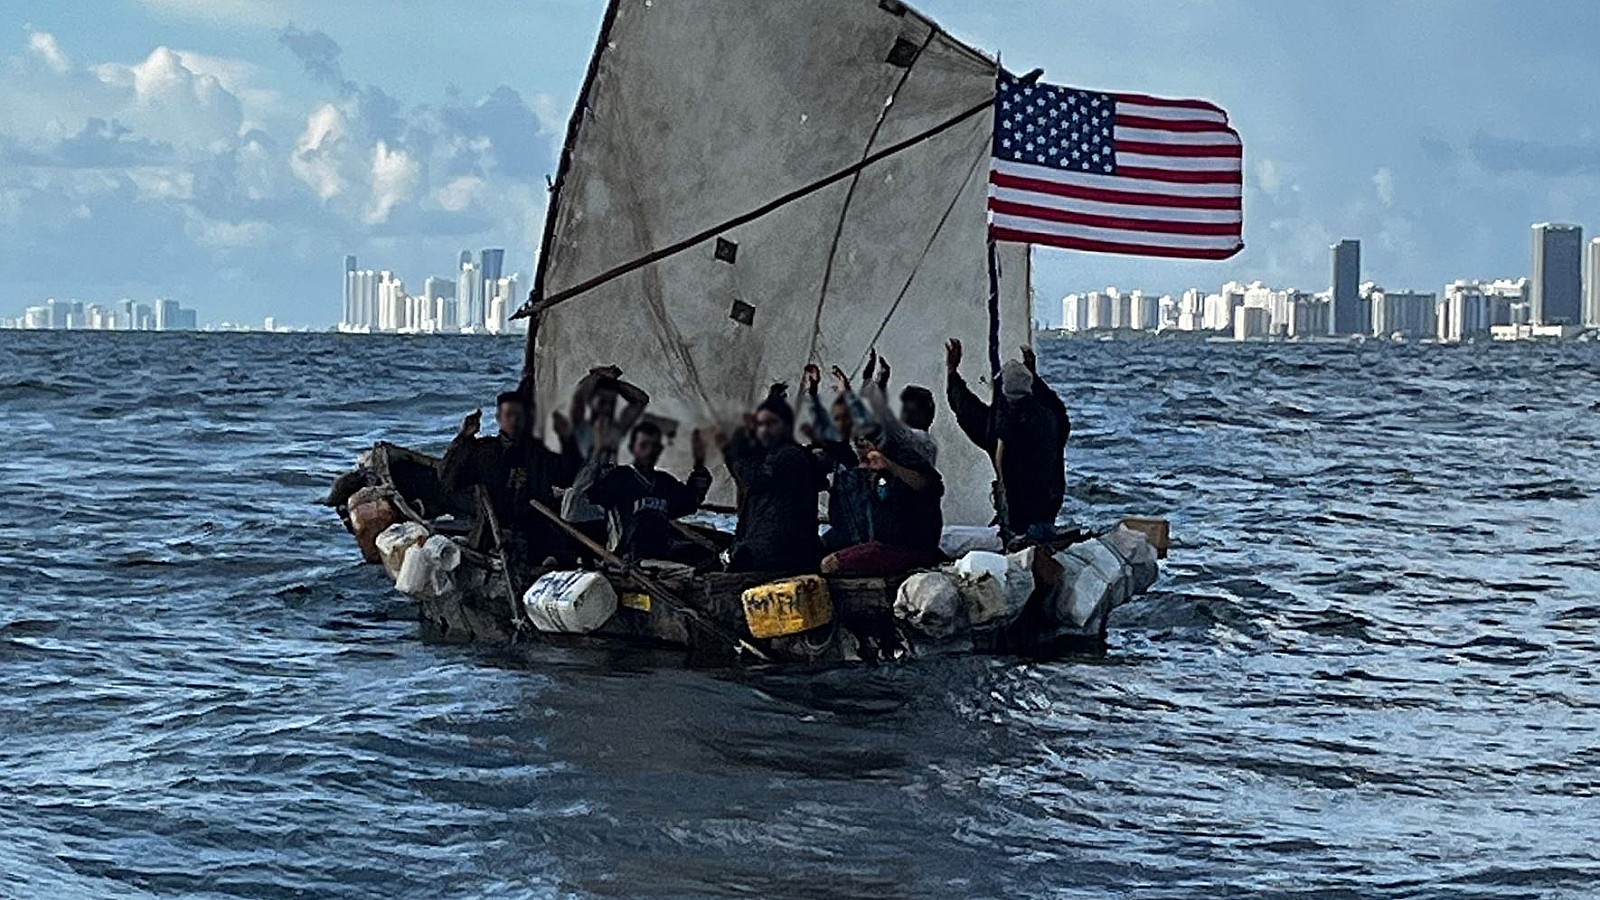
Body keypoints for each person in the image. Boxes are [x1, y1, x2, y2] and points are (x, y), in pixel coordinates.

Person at [945, 339, 1071, 542]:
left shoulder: (998, 428)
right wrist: (1034, 376)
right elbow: (1058, 409)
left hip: (1016, 526)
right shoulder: (1049, 423)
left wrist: (952, 373)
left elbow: (966, 409)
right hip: (1045, 519)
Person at [441, 390, 584, 568]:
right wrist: (464, 439)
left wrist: (568, 438)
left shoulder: (539, 453)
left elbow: (565, 477)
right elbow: (449, 480)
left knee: (560, 556)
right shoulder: (484, 452)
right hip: (493, 533)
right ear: (499, 418)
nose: (514, 421)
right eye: (509, 415)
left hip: (537, 531)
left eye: (518, 416)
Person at [717, 387, 827, 573]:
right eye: (760, 425)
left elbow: (754, 480)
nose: (764, 430)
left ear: (785, 426)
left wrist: (735, 450)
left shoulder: (789, 456)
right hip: (778, 551)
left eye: (771, 424)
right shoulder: (774, 455)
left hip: (778, 555)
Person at [586, 421, 713, 561]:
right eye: (643, 445)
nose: (650, 451)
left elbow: (688, 502)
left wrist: (699, 464)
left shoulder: (664, 482)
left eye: (655, 446)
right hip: (628, 554)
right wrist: (599, 451)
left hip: (663, 550)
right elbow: (592, 496)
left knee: (706, 556)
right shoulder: (618, 478)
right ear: (632, 448)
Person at [820, 436, 946, 576]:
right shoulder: (857, 469)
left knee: (832, 563)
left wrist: (890, 466)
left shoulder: (903, 459)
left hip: (906, 549)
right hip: (877, 546)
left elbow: (928, 484)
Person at [561, 366, 650, 546]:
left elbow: (641, 400)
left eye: (610, 403)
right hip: (579, 505)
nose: (607, 408)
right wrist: (595, 376)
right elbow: (578, 398)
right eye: (601, 402)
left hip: (604, 503)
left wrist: (616, 384)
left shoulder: (614, 431)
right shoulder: (579, 427)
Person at [800, 363, 875, 552]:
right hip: (844, 535)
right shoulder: (830, 454)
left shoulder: (858, 451)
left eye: (845, 419)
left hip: (861, 539)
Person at [859, 350, 938, 466]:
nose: (904, 412)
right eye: (905, 408)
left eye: (910, 409)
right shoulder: (910, 439)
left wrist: (874, 384)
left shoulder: (924, 442)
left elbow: (888, 422)